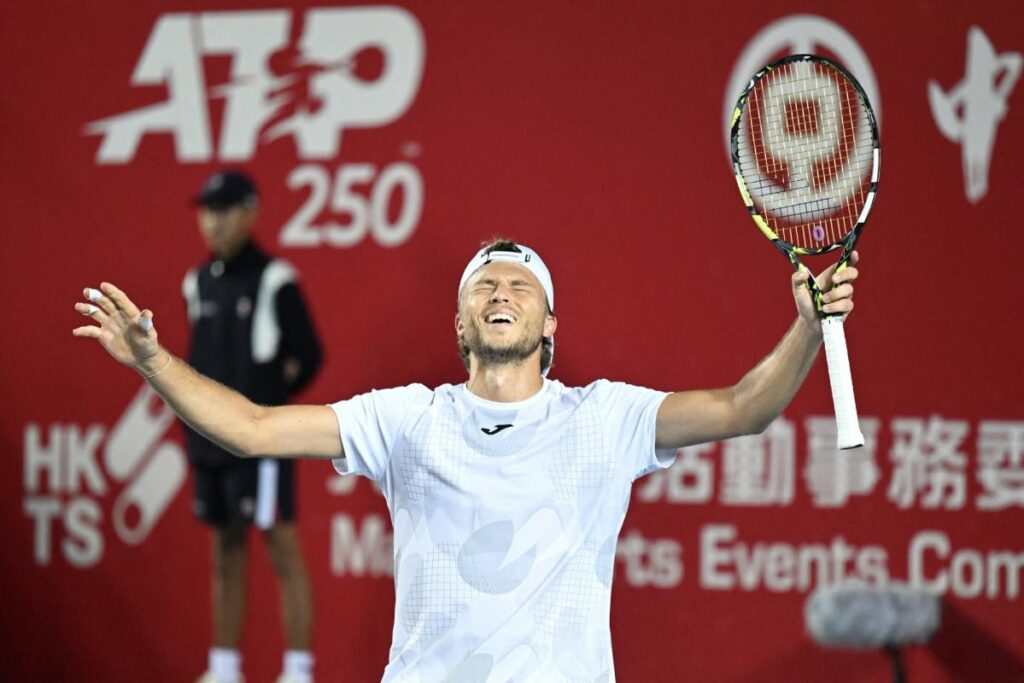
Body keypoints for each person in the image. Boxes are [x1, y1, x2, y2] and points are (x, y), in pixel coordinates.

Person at [74, 237, 859, 681]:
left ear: (550, 324)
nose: (501, 292)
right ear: (460, 323)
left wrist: (807, 328)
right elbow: (250, 428)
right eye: (484, 285)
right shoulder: (407, 418)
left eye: (520, 284)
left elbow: (744, 407)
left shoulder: (605, 418)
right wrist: (154, 361)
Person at [184, 170, 323, 683]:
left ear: (250, 212)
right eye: (206, 210)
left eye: (223, 210)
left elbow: (309, 356)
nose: (212, 221)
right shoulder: (196, 282)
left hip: (262, 444)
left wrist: (268, 404)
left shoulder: (275, 280)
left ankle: (298, 672)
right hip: (209, 442)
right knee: (225, 551)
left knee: (282, 548)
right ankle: (223, 669)